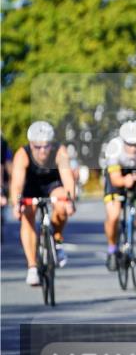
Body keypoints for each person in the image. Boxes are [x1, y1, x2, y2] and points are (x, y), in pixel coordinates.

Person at [9, 121, 77, 285]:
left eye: (46, 146)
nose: (42, 151)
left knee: (62, 206)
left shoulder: (60, 151)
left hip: (52, 184)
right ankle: (32, 267)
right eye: (37, 147)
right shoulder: (22, 154)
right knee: (27, 213)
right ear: (31, 144)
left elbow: (68, 179)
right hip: (30, 186)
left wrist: (70, 201)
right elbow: (17, 183)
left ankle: (56, 239)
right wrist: (16, 204)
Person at [102, 120, 136, 269]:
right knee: (114, 215)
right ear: (123, 141)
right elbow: (115, 179)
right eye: (129, 145)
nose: (133, 148)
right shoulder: (114, 147)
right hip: (118, 175)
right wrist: (126, 180)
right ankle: (112, 249)